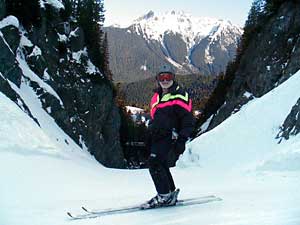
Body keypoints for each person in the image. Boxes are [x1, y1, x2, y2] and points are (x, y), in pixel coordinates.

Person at [142, 65, 195, 209]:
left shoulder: (180, 95)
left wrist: (182, 139)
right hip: (158, 136)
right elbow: (156, 117)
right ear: (157, 79)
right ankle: (169, 193)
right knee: (161, 164)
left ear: (173, 78)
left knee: (154, 163)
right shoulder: (157, 96)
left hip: (170, 136)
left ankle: (164, 196)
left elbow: (188, 121)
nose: (165, 80)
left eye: (168, 77)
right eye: (161, 77)